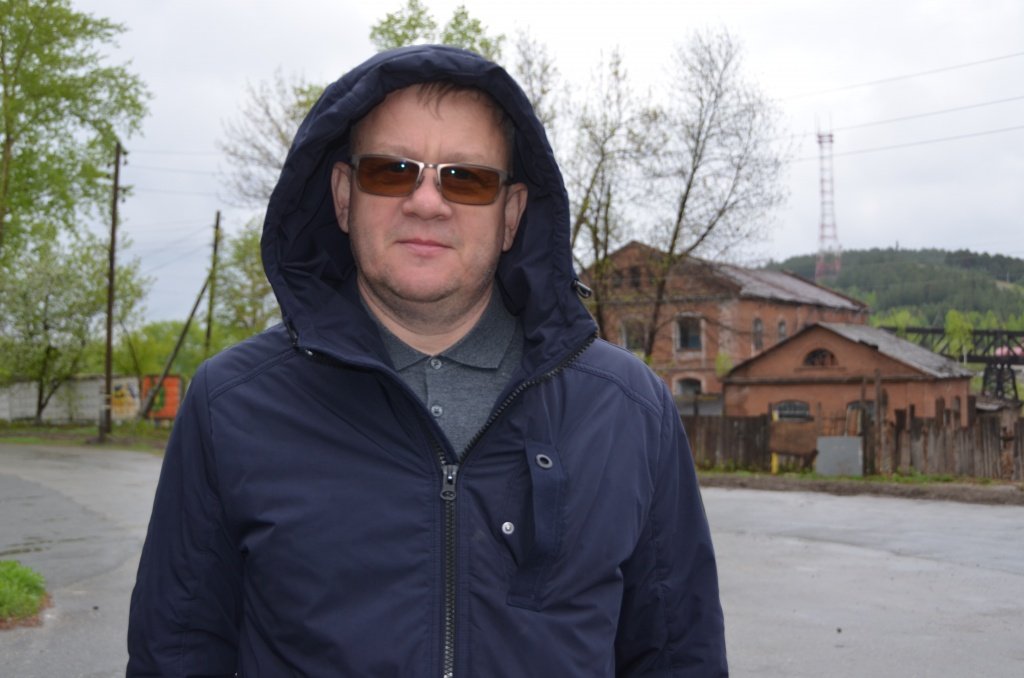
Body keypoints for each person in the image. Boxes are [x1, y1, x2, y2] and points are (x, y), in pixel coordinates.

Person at [127, 45, 727, 677]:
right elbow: (177, 657)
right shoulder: (231, 406)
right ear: (343, 196)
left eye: (466, 179)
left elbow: (678, 658)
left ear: (511, 215)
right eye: (392, 171)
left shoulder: (628, 409)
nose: (427, 202)